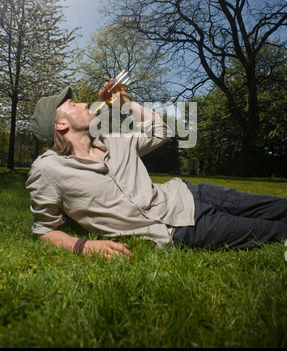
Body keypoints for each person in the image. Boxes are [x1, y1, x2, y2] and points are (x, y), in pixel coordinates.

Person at [26, 84, 287, 259]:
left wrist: (125, 104)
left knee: (278, 206)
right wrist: (86, 246)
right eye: (73, 104)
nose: (83, 104)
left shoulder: (114, 140)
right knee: (272, 230)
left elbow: (163, 132)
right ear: (61, 123)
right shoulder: (47, 169)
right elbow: (46, 230)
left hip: (189, 192)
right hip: (177, 227)